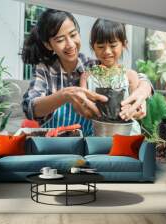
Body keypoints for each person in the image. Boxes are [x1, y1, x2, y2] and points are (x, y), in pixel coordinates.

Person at [21, 9, 152, 136]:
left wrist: (144, 89)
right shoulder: (44, 69)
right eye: (60, 40)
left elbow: (129, 75)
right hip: (54, 141)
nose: (70, 44)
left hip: (87, 139)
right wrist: (65, 95)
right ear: (48, 45)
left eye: (73, 35)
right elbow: (31, 108)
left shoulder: (93, 67)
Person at [80, 19, 144, 134]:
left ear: (124, 44)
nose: (107, 51)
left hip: (128, 133)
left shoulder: (130, 76)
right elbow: (85, 108)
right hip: (99, 133)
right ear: (92, 46)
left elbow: (138, 108)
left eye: (113, 45)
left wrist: (133, 110)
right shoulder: (87, 76)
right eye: (100, 46)